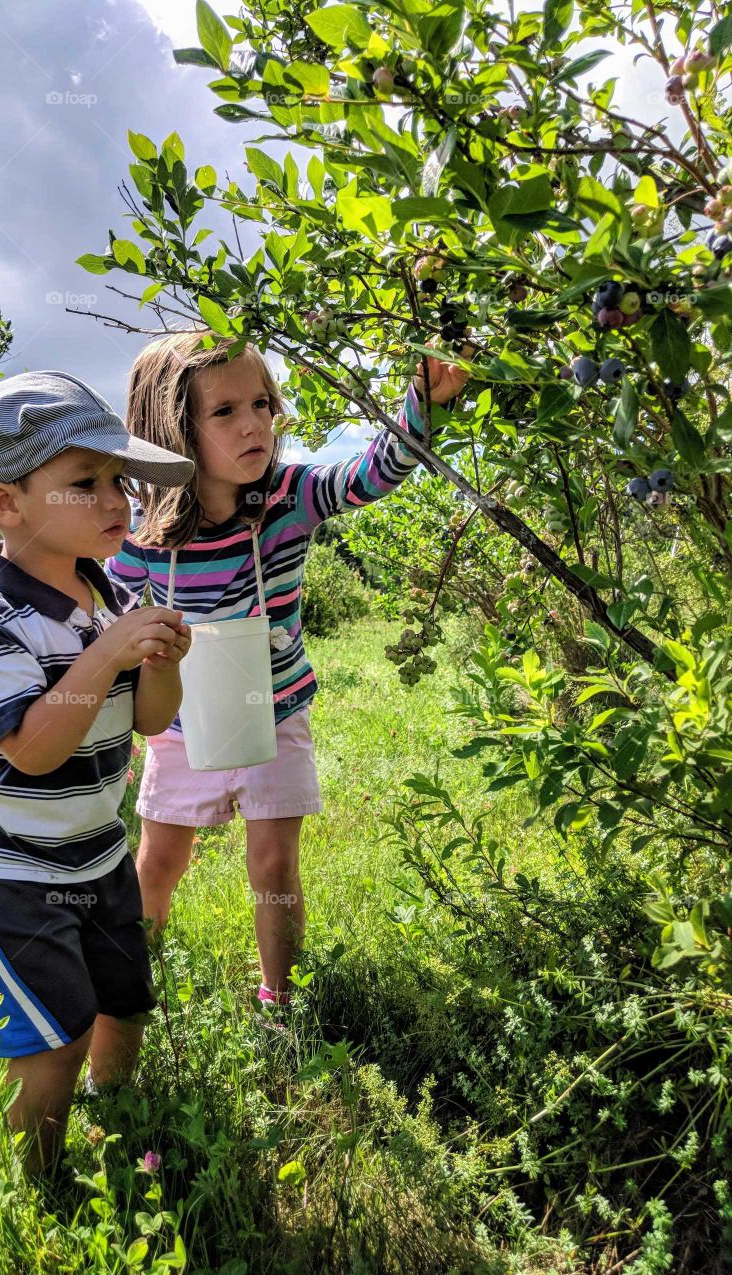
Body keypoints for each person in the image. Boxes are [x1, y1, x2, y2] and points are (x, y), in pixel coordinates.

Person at [105, 332, 469, 1019]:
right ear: (171, 427)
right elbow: (113, 631)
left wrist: (422, 402)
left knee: (274, 866)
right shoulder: (141, 534)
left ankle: (282, 1005)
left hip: (277, 711)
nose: (254, 425)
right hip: (181, 725)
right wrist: (123, 716)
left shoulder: (291, 496)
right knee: (158, 862)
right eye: (225, 412)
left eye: (263, 404)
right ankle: (129, 985)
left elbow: (372, 473)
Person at [0, 369, 193, 1178]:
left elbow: (152, 721)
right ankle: (42, 1181)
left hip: (98, 850)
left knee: (124, 1000)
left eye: (119, 480)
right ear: (6, 504)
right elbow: (34, 747)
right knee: (53, 1034)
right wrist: (112, 650)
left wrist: (158, 659)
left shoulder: (110, 592)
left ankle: (116, 1123)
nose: (117, 499)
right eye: (85, 482)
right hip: (11, 863)